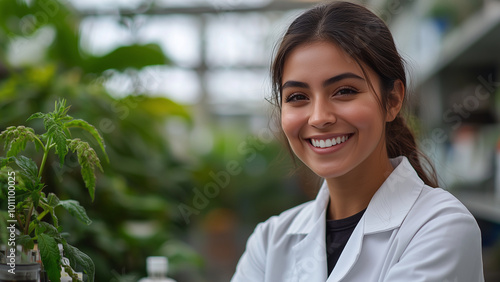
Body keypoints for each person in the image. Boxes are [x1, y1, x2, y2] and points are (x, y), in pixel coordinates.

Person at [231, 1, 484, 281]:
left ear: (392, 100)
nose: (319, 118)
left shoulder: (441, 227)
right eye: (297, 97)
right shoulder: (269, 241)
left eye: (344, 91)